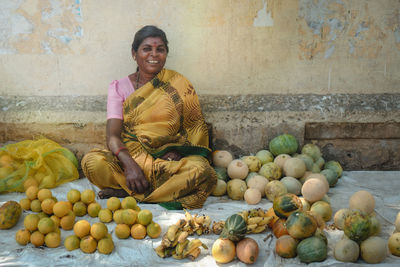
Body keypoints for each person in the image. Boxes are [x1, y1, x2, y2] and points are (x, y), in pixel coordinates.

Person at [81, 25, 217, 209]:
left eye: (160, 49)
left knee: (202, 170)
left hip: (167, 162)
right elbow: (112, 136)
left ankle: (130, 192)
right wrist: (130, 166)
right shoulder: (118, 87)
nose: (154, 54)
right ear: (134, 54)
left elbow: (194, 127)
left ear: (166, 54)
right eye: (146, 49)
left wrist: (179, 151)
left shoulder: (179, 84)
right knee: (91, 162)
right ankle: (154, 190)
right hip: (132, 157)